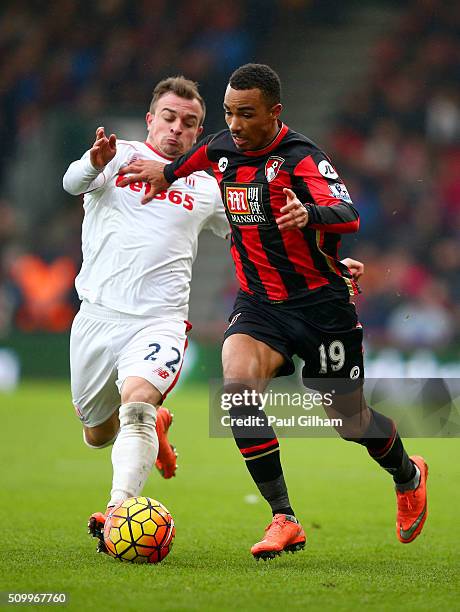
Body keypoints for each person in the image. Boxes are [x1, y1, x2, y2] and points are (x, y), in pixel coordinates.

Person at [117, 64, 428, 559]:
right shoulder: (221, 148)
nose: (235, 124)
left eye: (246, 114)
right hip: (259, 306)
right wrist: (163, 171)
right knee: (237, 392)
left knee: (348, 419)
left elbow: (349, 213)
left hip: (322, 309)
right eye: (228, 113)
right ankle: (284, 517)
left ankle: (408, 473)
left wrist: (310, 215)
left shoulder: (301, 158)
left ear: (274, 112)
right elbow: (187, 162)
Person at [63, 76, 230, 553]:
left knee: (136, 404)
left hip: (160, 321)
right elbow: (70, 181)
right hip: (97, 317)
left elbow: (245, 233)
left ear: (198, 133)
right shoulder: (115, 156)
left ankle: (118, 511)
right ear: (151, 120)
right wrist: (92, 162)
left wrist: (320, 256)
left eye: (190, 123)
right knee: (96, 433)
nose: (178, 129)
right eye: (170, 118)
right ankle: (151, 423)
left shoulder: (204, 184)